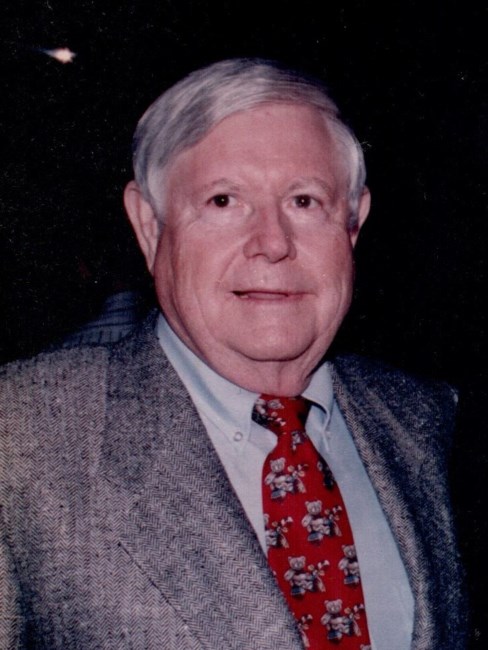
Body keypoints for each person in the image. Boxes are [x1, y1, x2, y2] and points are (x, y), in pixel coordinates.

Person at [0, 58, 467, 649]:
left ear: (353, 225)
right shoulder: (24, 435)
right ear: (149, 226)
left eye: (304, 201)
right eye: (223, 201)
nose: (273, 243)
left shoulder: (423, 419)